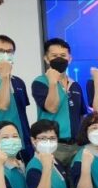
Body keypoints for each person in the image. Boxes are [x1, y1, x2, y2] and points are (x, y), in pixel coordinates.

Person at [32, 37, 85, 166]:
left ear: (70, 59)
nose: (59, 59)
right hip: (52, 145)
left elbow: (81, 114)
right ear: (46, 58)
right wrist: (53, 82)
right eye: (54, 56)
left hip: (76, 146)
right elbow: (52, 107)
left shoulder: (75, 85)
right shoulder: (40, 82)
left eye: (63, 55)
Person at [0, 34, 32, 157]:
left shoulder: (18, 82)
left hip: (24, 143)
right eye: (0, 51)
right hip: (2, 146)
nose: (5, 55)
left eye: (9, 51)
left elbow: (22, 114)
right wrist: (5, 77)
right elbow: (3, 105)